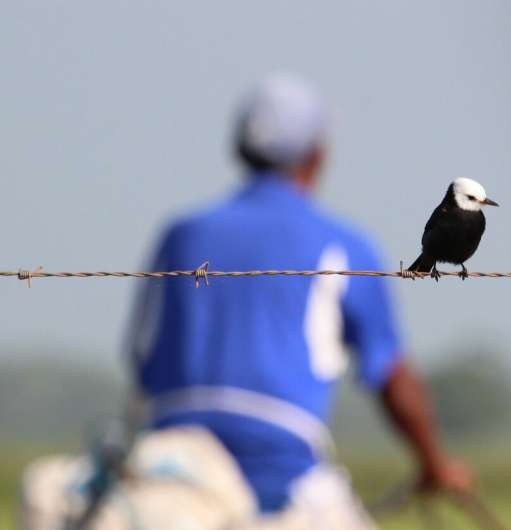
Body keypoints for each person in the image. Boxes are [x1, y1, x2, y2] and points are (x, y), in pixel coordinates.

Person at [126, 73, 472, 529]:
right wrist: (435, 463)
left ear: (239, 150)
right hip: (282, 469)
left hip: (172, 466)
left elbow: (141, 356)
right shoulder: (342, 245)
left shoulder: (181, 236)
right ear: (317, 155)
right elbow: (391, 375)